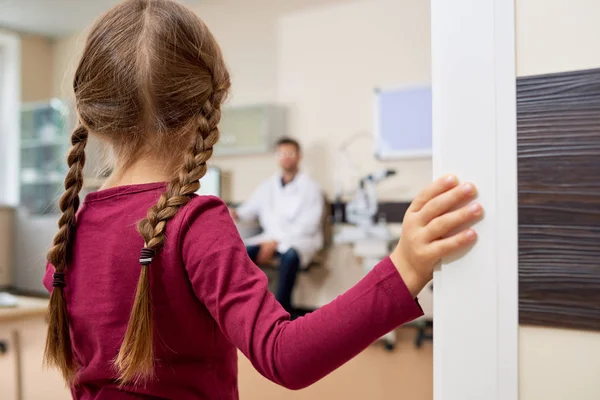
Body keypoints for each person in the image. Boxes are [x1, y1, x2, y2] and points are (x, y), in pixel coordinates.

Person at [42, 1, 483, 399]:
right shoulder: (194, 222)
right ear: (210, 105)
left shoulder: (69, 234)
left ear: (92, 113)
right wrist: (405, 266)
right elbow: (283, 353)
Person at [230, 137, 323, 313]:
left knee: (290, 257)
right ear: (277, 157)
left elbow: (308, 226)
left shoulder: (311, 188)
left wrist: (275, 242)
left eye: (290, 153)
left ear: (299, 156)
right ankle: (243, 308)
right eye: (282, 153)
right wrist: (237, 213)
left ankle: (281, 311)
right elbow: (251, 207)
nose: (286, 157)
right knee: (242, 254)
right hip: (270, 239)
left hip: (300, 242)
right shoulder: (268, 185)